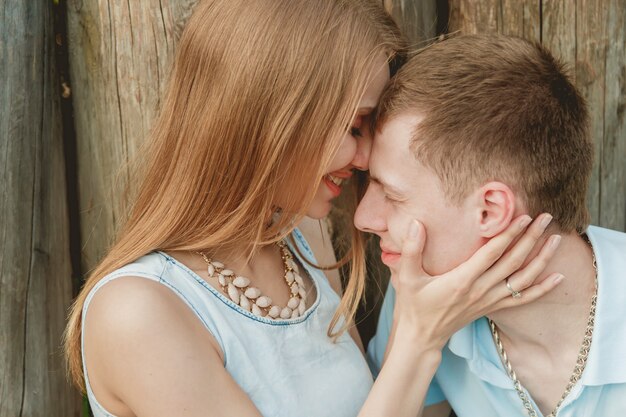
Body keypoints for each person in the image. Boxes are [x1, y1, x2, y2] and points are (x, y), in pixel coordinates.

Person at [64, 3, 562, 416]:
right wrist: (420, 339)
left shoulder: (304, 237)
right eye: (354, 126)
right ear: (273, 116)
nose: (366, 157)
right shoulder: (139, 313)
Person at [360, 34, 626, 417]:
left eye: (392, 195)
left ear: (489, 211)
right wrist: (417, 339)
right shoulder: (421, 299)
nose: (363, 219)